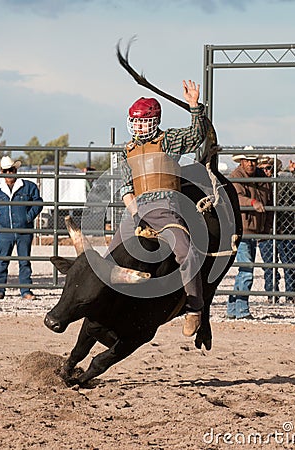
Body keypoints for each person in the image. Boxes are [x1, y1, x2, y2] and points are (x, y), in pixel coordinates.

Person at [107, 80, 209, 337]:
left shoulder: (168, 140)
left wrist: (194, 106)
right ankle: (105, 305)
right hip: (137, 209)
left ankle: (194, 308)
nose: (139, 126)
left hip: (166, 208)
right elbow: (125, 189)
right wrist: (135, 216)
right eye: (135, 121)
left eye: (143, 121)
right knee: (108, 259)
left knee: (186, 253)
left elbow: (197, 136)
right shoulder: (126, 151)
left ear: (154, 121)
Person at [0, 156, 43, 300]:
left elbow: (38, 203)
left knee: (24, 261)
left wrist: (28, 217)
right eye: (5, 171)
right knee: (2, 260)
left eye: (11, 170)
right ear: (2, 172)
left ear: (15, 170)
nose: (8, 173)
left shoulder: (28, 187)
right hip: (6, 230)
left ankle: (26, 291)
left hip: (24, 230)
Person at [227, 147, 273, 320]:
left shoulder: (262, 178)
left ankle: (233, 308)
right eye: (247, 160)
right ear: (241, 161)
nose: (251, 163)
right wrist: (252, 202)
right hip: (242, 229)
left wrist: (266, 228)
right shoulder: (236, 177)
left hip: (255, 229)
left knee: (244, 269)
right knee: (246, 270)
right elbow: (236, 197)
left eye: (253, 160)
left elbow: (270, 203)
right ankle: (242, 309)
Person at [257, 157, 295, 303]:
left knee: (290, 264)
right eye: (262, 168)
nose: (265, 171)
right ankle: (272, 295)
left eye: (268, 168)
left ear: (274, 169)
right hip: (266, 232)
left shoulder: (283, 183)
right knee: (269, 266)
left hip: (285, 230)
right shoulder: (257, 184)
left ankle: (292, 295)